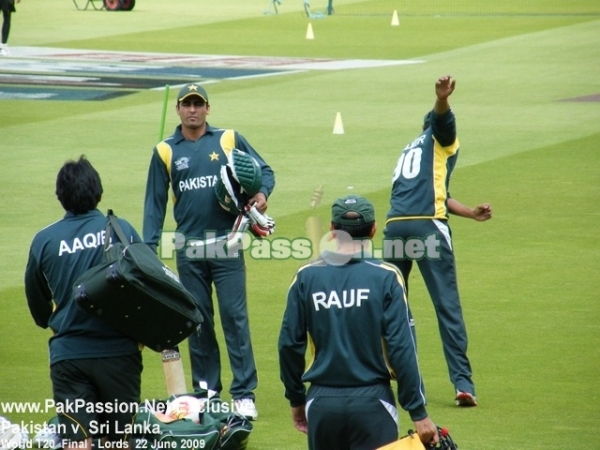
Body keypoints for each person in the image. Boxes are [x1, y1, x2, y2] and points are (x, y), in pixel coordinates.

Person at [143, 82, 275, 421]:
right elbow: (154, 204)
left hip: (228, 244)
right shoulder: (165, 151)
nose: (192, 110)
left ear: (207, 108)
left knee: (235, 319)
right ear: (178, 110)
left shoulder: (228, 139)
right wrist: (148, 250)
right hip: (189, 251)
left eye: (198, 104)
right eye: (186, 104)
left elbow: (265, 173)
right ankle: (206, 391)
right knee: (197, 323)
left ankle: (244, 394)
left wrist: (260, 196)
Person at [278, 194, 440, 450]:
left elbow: (289, 344)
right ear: (374, 229)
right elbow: (402, 347)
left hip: (321, 403)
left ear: (332, 230)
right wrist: (418, 412)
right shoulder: (387, 277)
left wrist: (296, 399)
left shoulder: (306, 277)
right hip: (374, 404)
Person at [383, 75, 492, 407]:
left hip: (395, 227)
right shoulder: (439, 137)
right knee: (447, 306)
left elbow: (439, 193)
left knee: (394, 304)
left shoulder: (411, 148)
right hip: (427, 229)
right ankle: (463, 383)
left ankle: (398, 368)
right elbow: (443, 118)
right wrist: (442, 98)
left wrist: (471, 213)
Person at [24, 156, 143, 450]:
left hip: (69, 356)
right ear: (98, 192)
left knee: (77, 442)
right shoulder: (121, 229)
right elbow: (146, 285)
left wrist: (50, 320)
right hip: (119, 355)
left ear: (60, 197)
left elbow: (37, 304)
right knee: (118, 442)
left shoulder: (44, 240)